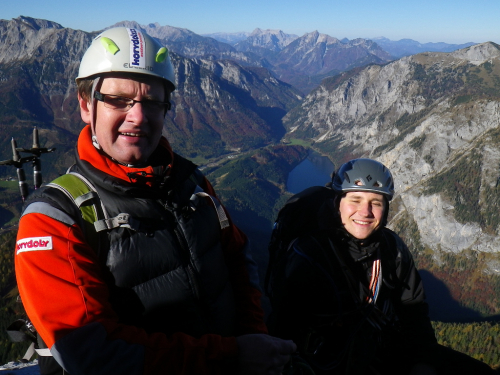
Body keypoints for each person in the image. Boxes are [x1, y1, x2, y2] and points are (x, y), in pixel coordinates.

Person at [14, 27, 295, 375]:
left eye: (152, 102)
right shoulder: (54, 219)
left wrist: (254, 338)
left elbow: (238, 260)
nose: (138, 116)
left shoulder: (191, 182)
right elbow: (91, 353)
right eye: (118, 100)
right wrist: (232, 355)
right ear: (87, 106)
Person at [266, 158, 494, 375]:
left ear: (385, 210)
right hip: (325, 362)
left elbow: (413, 311)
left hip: (385, 348)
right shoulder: (310, 257)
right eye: (355, 200)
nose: (365, 212)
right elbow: (284, 330)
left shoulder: (391, 248)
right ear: (337, 204)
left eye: (375, 203)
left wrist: (423, 361)